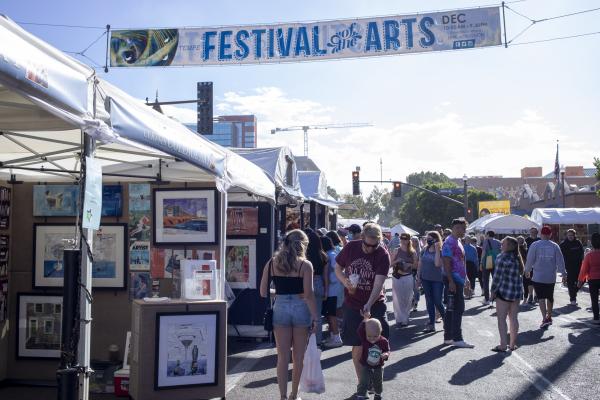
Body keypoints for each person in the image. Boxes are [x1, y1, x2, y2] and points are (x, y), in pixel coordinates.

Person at [259, 230, 318, 400]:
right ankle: (294, 394)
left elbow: (263, 292)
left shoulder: (272, 263)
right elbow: (308, 294)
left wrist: (280, 294)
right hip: (301, 311)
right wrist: (315, 318)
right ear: (303, 245)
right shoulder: (305, 265)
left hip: (280, 310)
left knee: (282, 357)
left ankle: (282, 396)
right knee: (298, 357)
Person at [334, 223, 391, 381]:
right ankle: (363, 383)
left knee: (378, 343)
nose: (370, 249)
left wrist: (369, 304)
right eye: (367, 245)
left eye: (374, 246)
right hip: (352, 303)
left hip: (375, 304)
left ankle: (374, 377)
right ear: (362, 237)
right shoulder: (351, 247)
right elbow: (337, 268)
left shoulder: (383, 255)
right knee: (358, 344)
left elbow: (378, 284)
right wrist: (345, 282)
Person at [524, 226, 567, 329]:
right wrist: (564, 274)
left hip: (538, 276)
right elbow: (560, 261)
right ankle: (550, 316)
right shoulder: (555, 246)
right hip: (550, 277)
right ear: (550, 235)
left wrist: (527, 270)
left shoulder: (535, 245)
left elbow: (530, 259)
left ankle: (544, 318)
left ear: (541, 234)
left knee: (541, 298)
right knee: (550, 297)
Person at [442, 219, 474, 348]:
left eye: (463, 228)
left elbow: (461, 262)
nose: (462, 230)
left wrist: (466, 278)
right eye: (459, 228)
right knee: (458, 308)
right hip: (453, 280)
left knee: (451, 309)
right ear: (454, 228)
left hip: (458, 279)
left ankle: (448, 337)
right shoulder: (449, 242)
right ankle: (457, 338)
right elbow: (446, 261)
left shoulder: (458, 241)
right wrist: (451, 281)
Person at [490, 237, 524, 352]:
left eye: (503, 243)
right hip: (516, 292)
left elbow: (497, 277)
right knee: (513, 318)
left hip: (504, 291)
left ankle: (503, 345)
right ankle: (512, 344)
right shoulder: (517, 258)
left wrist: (493, 291)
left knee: (501, 319)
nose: (501, 244)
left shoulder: (501, 257)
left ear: (509, 246)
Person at [303, 228, 329, 345]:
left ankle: (304, 342)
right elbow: (326, 276)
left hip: (305, 284)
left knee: (303, 314)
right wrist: (326, 291)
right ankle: (317, 342)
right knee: (317, 315)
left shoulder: (304, 256)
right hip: (319, 283)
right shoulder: (323, 256)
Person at [355, 318, 390, 400]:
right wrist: (364, 319)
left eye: (375, 336)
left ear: (380, 332)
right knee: (363, 381)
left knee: (378, 382)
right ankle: (361, 395)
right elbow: (359, 331)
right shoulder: (364, 339)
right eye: (369, 336)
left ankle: (378, 394)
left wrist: (386, 354)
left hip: (378, 366)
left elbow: (387, 350)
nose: (372, 339)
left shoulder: (383, 341)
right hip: (366, 365)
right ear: (365, 333)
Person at [418, 231, 445, 332]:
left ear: (436, 240)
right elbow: (420, 263)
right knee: (429, 302)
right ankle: (431, 324)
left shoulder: (441, 251)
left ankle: (446, 319)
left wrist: (437, 250)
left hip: (437, 280)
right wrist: (418, 277)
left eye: (430, 239)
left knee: (438, 301)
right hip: (426, 279)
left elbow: (438, 264)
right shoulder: (424, 249)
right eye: (427, 238)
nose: (428, 240)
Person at [391, 233, 418, 327]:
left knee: (407, 298)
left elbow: (416, 265)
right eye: (402, 239)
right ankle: (400, 318)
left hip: (408, 276)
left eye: (405, 239)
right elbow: (390, 264)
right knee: (397, 298)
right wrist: (397, 261)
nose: (403, 241)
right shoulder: (396, 250)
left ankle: (405, 317)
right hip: (397, 277)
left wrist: (409, 264)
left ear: (408, 240)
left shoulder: (412, 251)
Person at [321, 235, 343, 348]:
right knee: (332, 314)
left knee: (331, 315)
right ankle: (333, 335)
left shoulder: (330, 256)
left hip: (331, 290)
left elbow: (335, 273)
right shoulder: (334, 253)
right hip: (336, 289)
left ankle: (336, 338)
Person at [578, 232, 600, 324]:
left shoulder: (589, 255)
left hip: (593, 279)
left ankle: (596, 318)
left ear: (592, 243)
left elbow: (584, 269)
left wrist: (580, 281)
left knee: (594, 299)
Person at [560, 229, 585, 306]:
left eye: (572, 235)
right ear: (566, 236)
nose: (570, 237)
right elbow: (560, 256)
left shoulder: (578, 243)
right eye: (569, 235)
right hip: (568, 267)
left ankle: (574, 291)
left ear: (574, 236)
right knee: (570, 283)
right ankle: (573, 299)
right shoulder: (563, 244)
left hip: (579, 266)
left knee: (583, 280)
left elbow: (582, 253)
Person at [480, 231, 502, 306]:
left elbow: (483, 252)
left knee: (485, 281)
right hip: (496, 262)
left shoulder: (486, 241)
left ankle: (487, 299)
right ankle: (495, 297)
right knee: (495, 280)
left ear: (488, 235)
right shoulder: (498, 242)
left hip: (487, 263)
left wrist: (481, 262)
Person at [517, 236, 534, 304]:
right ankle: (529, 296)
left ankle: (526, 298)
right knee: (528, 283)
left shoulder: (518, 250)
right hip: (527, 268)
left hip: (524, 268)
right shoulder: (527, 250)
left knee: (526, 283)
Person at [411, 236, 422, 312]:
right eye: (413, 241)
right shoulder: (408, 250)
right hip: (408, 271)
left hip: (417, 271)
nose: (414, 242)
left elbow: (421, 263)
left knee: (416, 288)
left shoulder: (420, 251)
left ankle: (416, 302)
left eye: (415, 241)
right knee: (409, 288)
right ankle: (411, 301)